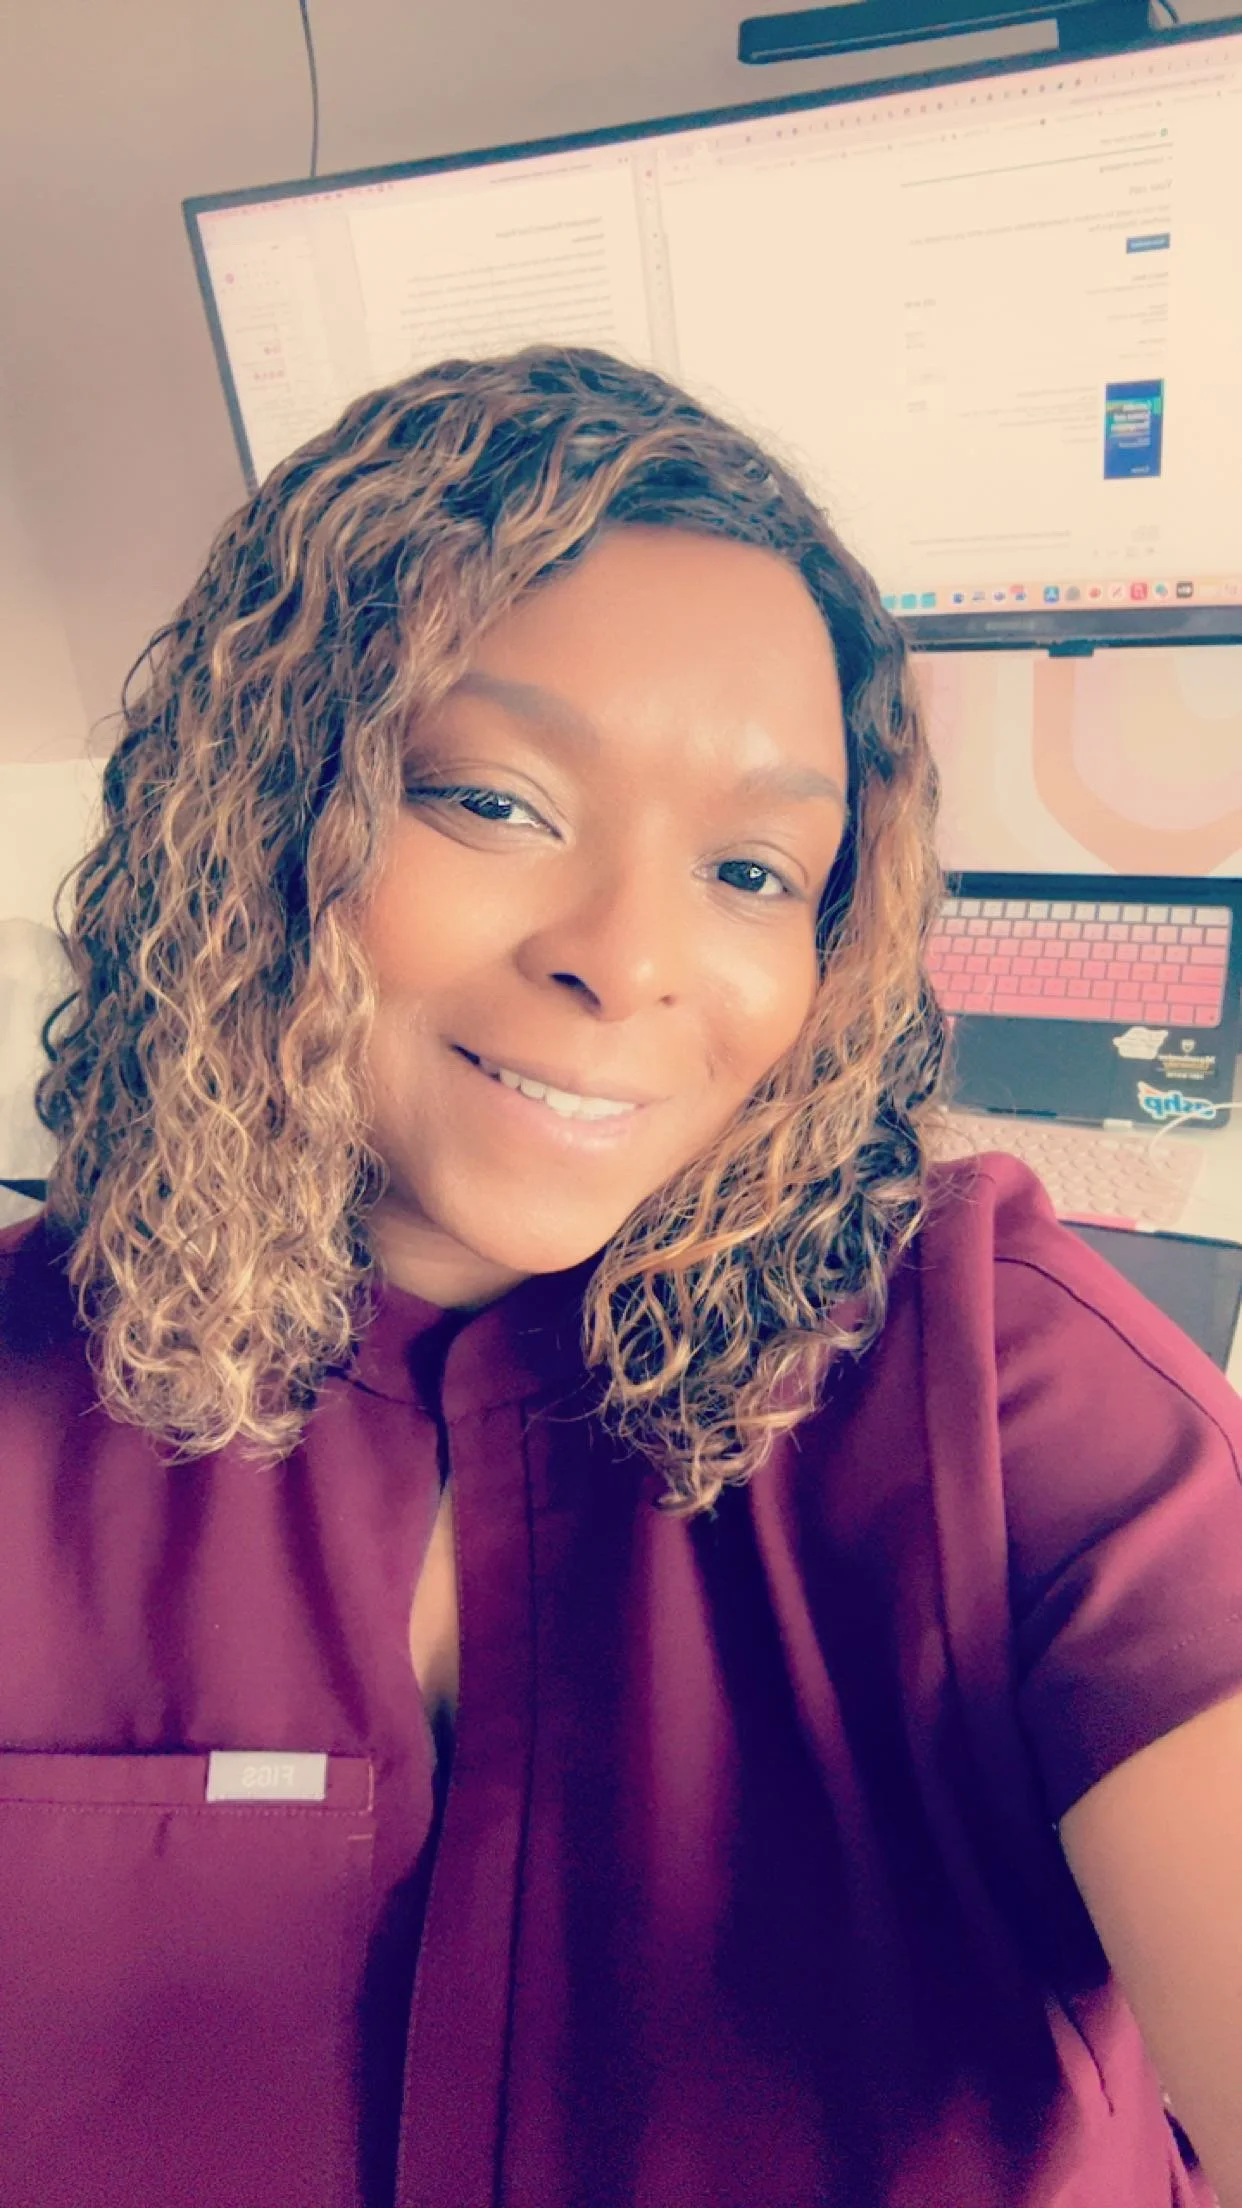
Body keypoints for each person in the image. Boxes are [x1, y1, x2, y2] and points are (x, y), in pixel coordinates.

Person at [1, 344, 1240, 2208]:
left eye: (751, 870)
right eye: (493, 802)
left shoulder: (1006, 1387)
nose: (635, 959)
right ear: (260, 815)